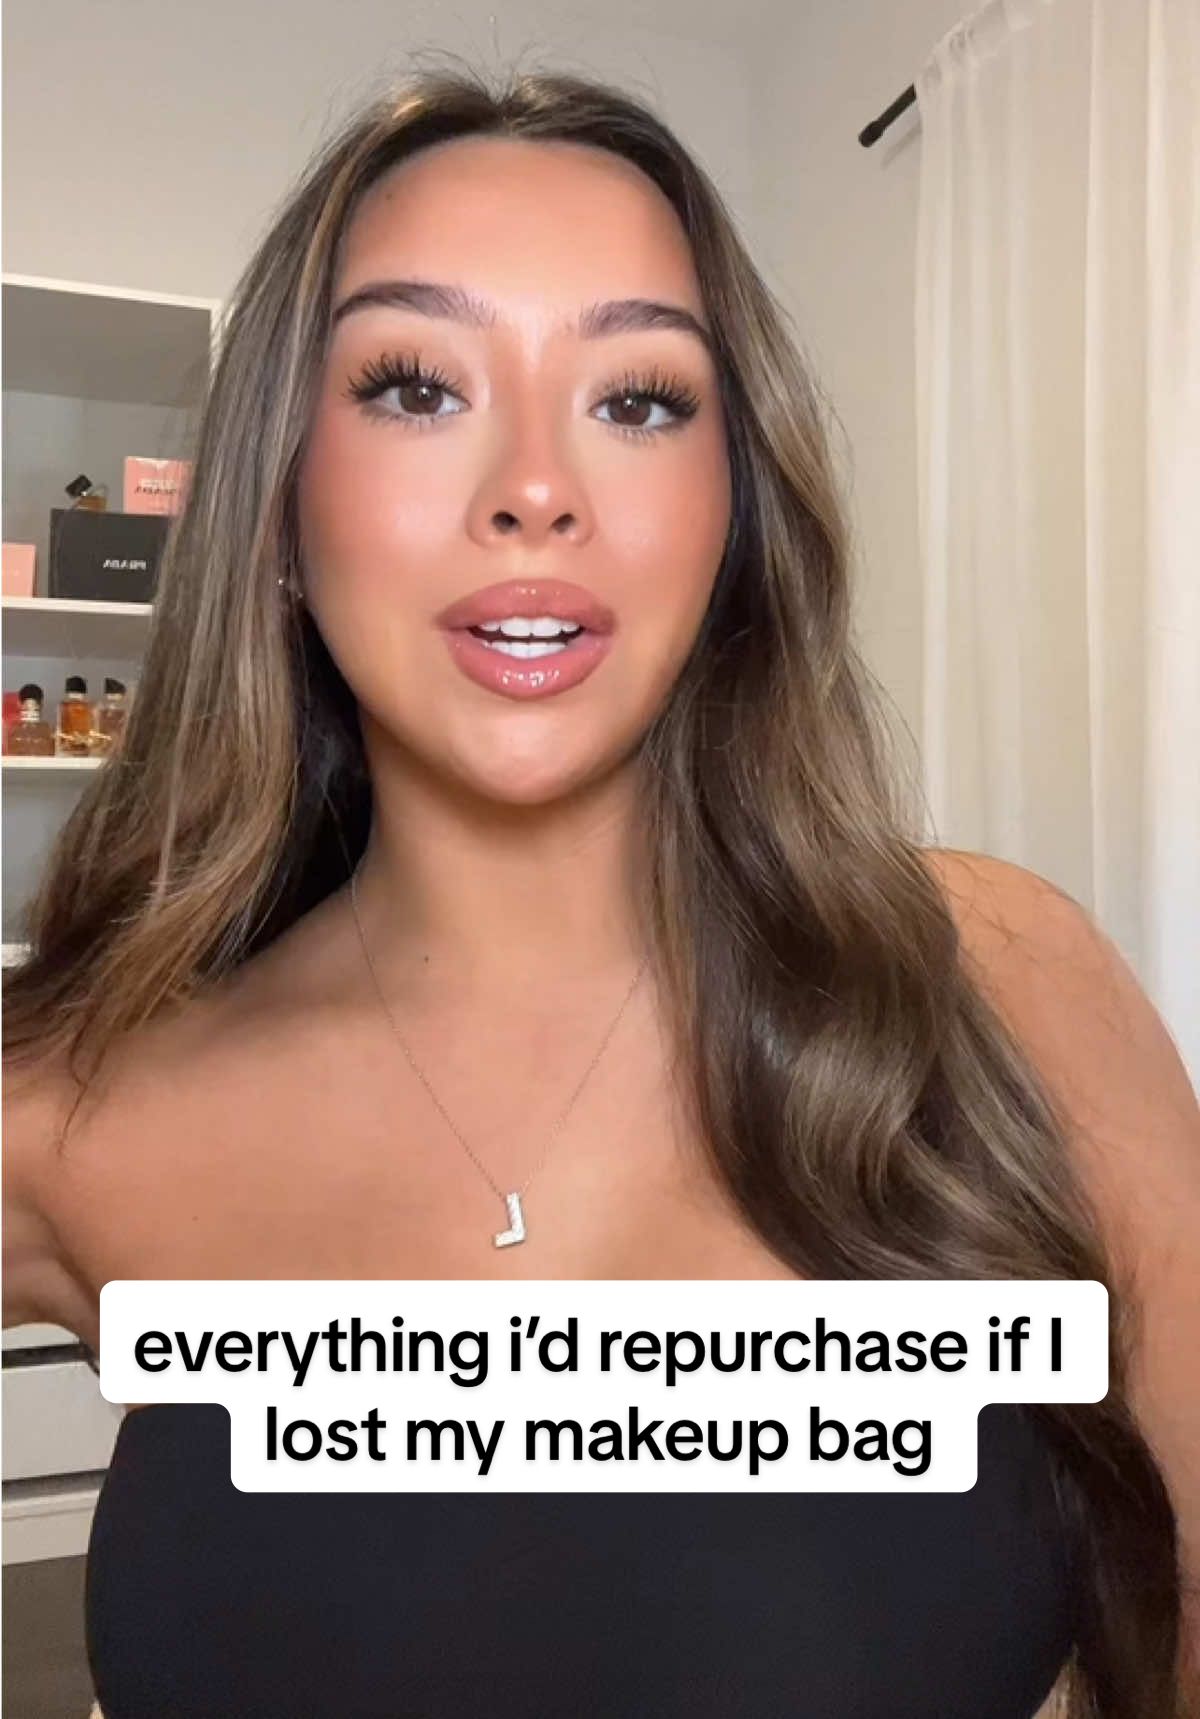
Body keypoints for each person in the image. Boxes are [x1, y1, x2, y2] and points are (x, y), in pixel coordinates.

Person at [3, 58, 1198, 1719]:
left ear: (733, 519)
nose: (536, 488)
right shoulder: (73, 1113)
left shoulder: (1000, 982)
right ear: (277, 509)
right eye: (414, 386)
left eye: (637, 400)